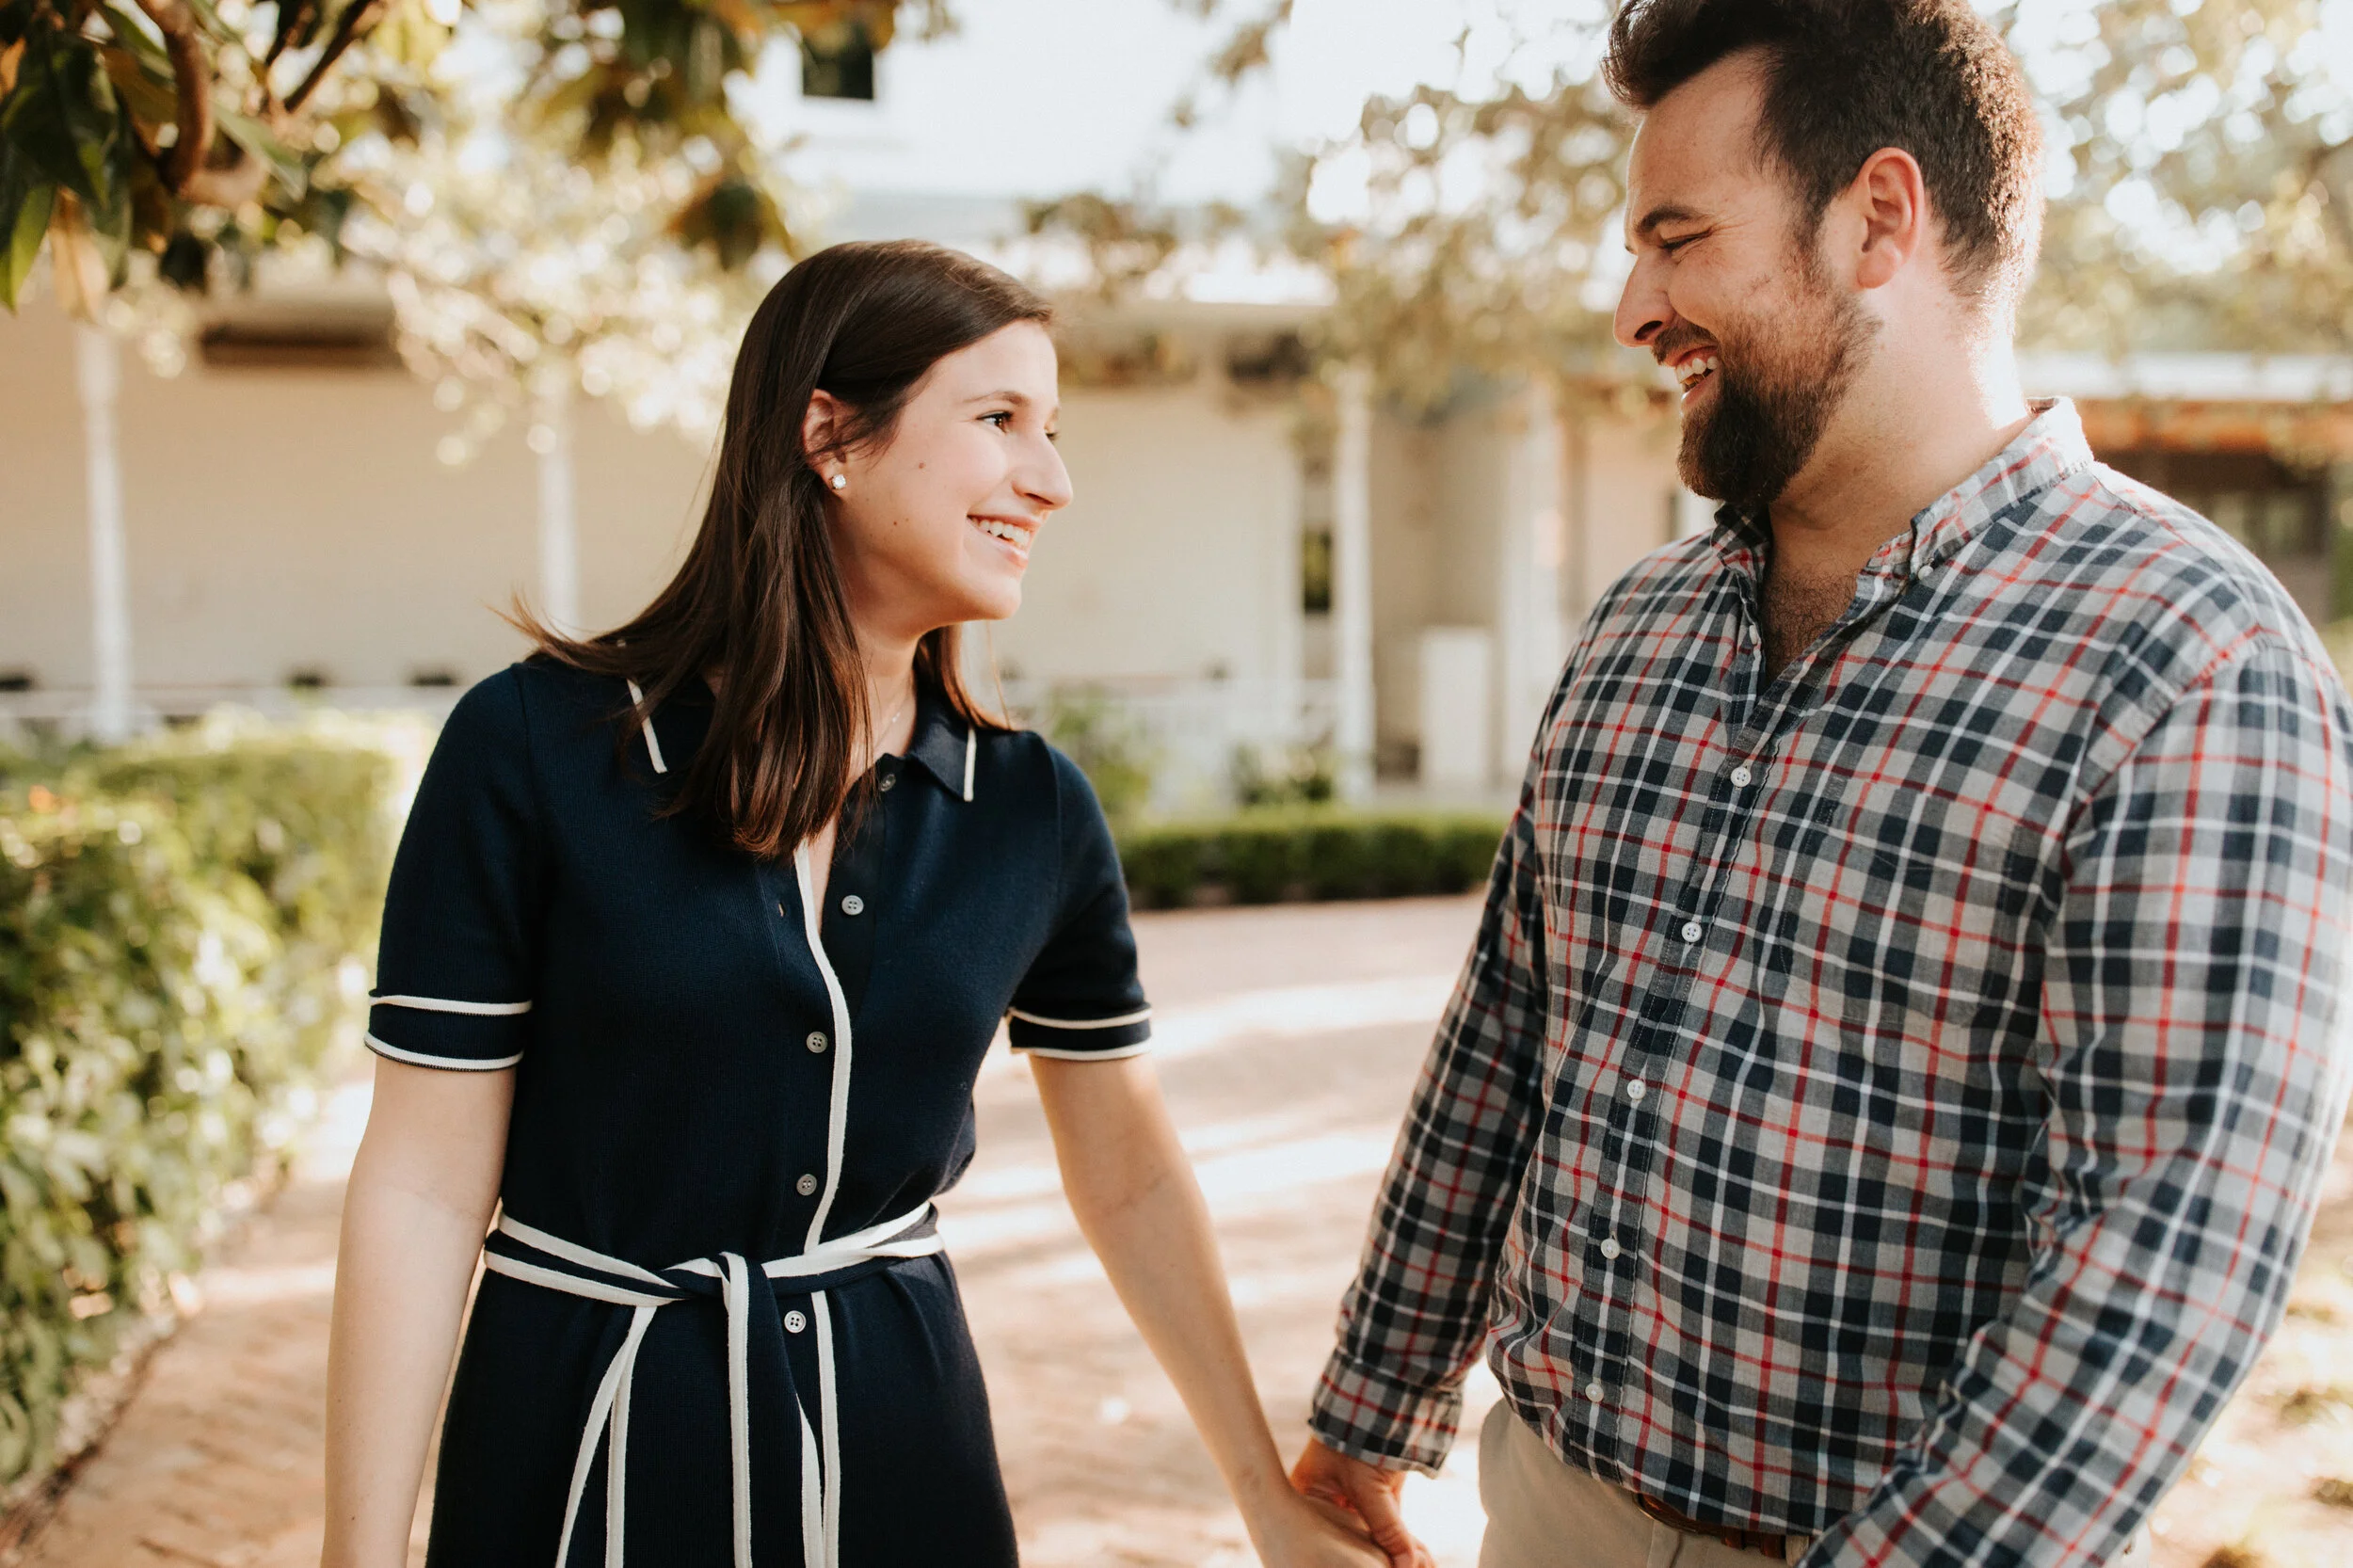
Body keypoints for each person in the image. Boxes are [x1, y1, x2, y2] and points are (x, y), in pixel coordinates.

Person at [1290, 3, 2353, 1565]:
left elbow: (2163, 1251)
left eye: (1676, 238)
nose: (1631, 306)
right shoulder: (1641, 621)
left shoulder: (2188, 656)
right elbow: (1511, 1029)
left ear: (1879, 220)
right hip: (1541, 1505)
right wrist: (1374, 1401)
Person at [323, 239, 1387, 1568]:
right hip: (579, 1440)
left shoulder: (1031, 808)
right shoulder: (532, 750)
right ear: (830, 432)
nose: (1049, 480)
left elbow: (1128, 1171)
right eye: (998, 420)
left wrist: (1259, 1491)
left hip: (900, 1450)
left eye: (1051, 431)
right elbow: (421, 1183)